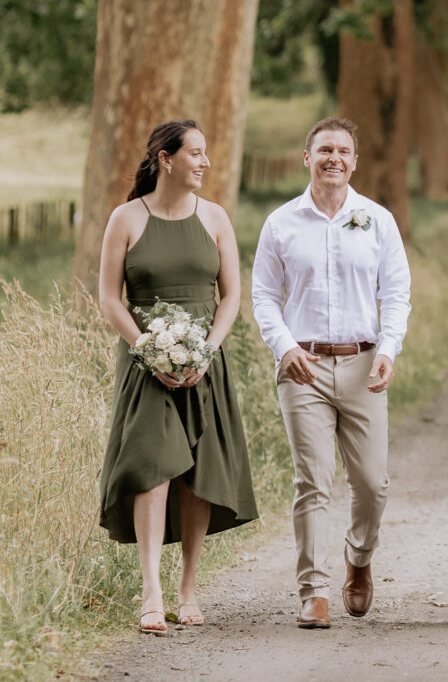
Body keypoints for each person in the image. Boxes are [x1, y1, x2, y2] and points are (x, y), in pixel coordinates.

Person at [97, 120, 258, 636]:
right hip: (146, 366)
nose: (205, 162)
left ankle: (188, 589)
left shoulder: (214, 217)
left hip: (204, 362)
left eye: (206, 153)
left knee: (197, 473)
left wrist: (206, 350)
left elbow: (231, 294)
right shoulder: (125, 218)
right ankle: (151, 590)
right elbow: (108, 299)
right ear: (167, 159)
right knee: (152, 467)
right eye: (196, 153)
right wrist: (147, 348)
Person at [251, 118, 411, 629]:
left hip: (365, 363)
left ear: (355, 161)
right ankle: (313, 590)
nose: (333, 158)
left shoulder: (377, 220)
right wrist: (285, 347)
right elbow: (263, 296)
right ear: (307, 157)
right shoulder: (280, 223)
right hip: (305, 367)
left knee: (372, 483)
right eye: (324, 150)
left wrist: (388, 348)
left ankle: (359, 558)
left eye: (343, 150)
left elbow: (397, 293)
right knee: (312, 481)